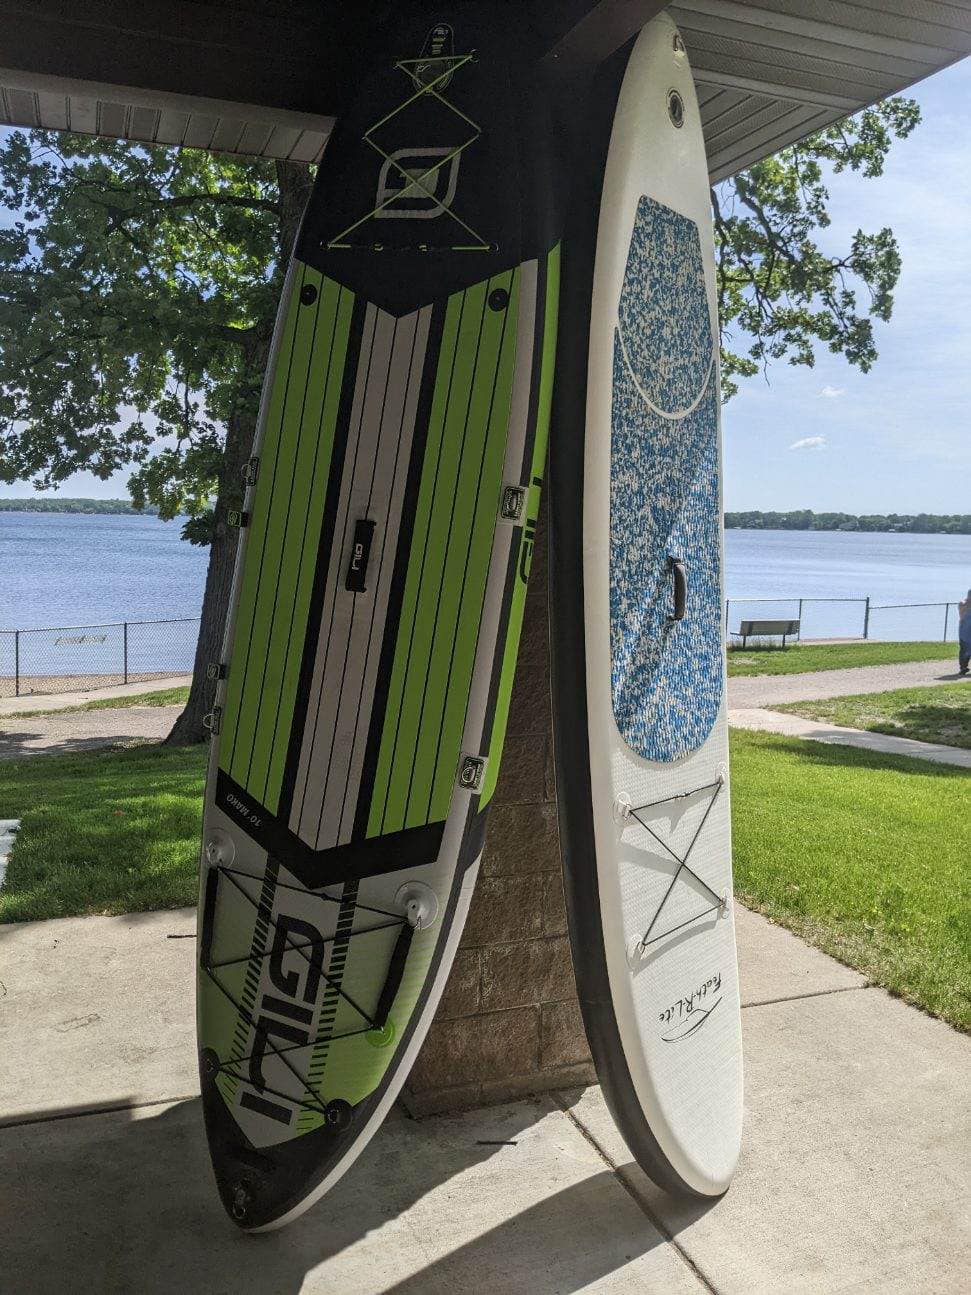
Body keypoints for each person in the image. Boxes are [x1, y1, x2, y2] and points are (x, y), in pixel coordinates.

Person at [960, 588, 971, 676]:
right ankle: (963, 667)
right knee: (964, 648)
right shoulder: (963, 603)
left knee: (964, 648)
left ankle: (963, 667)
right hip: (965, 629)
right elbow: (961, 613)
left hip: (964, 628)